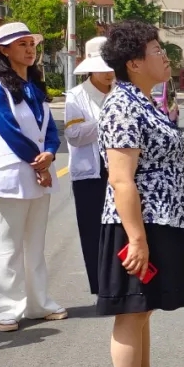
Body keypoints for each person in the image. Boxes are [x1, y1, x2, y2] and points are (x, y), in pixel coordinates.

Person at [98, 21, 184, 367]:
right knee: (131, 310)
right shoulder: (122, 105)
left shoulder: (144, 100)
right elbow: (121, 179)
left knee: (145, 308)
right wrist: (137, 239)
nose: (164, 56)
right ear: (134, 63)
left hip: (161, 218)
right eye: (156, 50)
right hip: (138, 224)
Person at [0, 22, 67, 332]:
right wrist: (40, 164)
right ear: (4, 50)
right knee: (8, 244)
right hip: (11, 175)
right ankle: (4, 309)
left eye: (32, 44)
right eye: (22, 44)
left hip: (39, 172)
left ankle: (38, 304)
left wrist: (51, 152)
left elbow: (50, 129)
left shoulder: (35, 86)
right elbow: (10, 131)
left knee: (35, 244)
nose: (30, 50)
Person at [64, 37, 116, 296]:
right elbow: (74, 135)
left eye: (111, 67)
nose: (108, 73)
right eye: (102, 68)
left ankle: (120, 284)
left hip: (120, 170)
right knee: (93, 231)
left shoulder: (121, 91)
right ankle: (100, 286)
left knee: (120, 229)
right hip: (90, 174)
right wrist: (106, 120)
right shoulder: (76, 96)